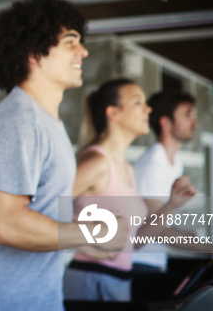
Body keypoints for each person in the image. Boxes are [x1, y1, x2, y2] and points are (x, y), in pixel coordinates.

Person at [0, 0, 127, 311]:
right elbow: (5, 224)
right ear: (34, 54)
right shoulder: (20, 119)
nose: (83, 51)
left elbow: (39, 218)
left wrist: (85, 239)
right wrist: (91, 234)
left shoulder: (45, 121)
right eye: (70, 42)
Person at [63, 79, 196, 302]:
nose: (148, 109)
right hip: (89, 280)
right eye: (138, 102)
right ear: (113, 113)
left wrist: (172, 204)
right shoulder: (97, 162)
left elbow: (136, 241)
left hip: (119, 281)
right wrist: (80, 242)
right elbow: (43, 210)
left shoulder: (126, 169)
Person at [133, 91, 213, 273]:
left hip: (154, 261)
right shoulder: (153, 164)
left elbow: (162, 224)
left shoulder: (173, 162)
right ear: (165, 123)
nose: (195, 122)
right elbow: (157, 230)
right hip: (140, 264)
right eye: (187, 115)